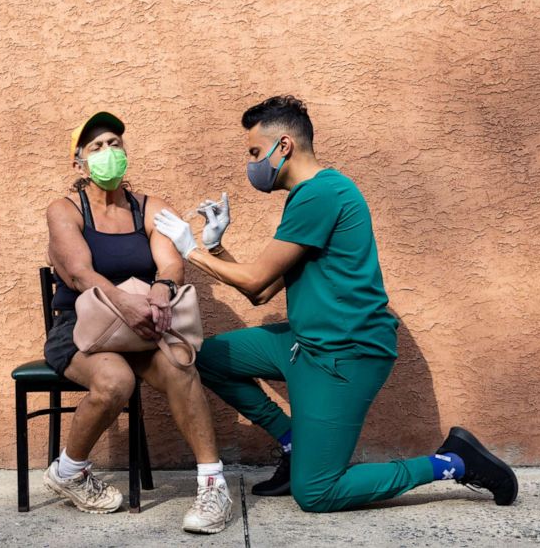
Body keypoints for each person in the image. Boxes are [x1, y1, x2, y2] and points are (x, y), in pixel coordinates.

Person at [153, 95, 518, 513]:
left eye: (255, 152)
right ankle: (294, 444)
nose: (252, 163)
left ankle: (453, 462)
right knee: (209, 358)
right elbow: (261, 292)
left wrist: (191, 250)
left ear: (284, 146)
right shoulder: (308, 197)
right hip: (305, 345)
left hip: (346, 353)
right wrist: (218, 249)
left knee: (318, 492)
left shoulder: (322, 194)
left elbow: (255, 280)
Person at [43, 111, 232, 533]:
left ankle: (213, 486)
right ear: (79, 163)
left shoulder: (151, 207)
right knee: (115, 383)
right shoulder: (65, 210)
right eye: (96, 147)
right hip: (81, 326)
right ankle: (69, 471)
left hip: (143, 323)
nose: (108, 152)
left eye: (114, 143)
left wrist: (161, 290)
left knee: (182, 367)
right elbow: (79, 273)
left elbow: (170, 263)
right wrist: (124, 302)